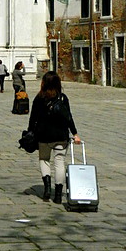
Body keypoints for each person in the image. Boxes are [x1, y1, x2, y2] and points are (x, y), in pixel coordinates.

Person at [27, 71, 81, 204]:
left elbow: (33, 119)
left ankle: (46, 189)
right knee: (59, 163)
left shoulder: (39, 98)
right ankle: (57, 195)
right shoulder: (63, 98)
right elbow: (69, 117)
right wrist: (75, 133)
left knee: (44, 160)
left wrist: (30, 133)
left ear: (43, 83)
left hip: (44, 136)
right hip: (61, 136)